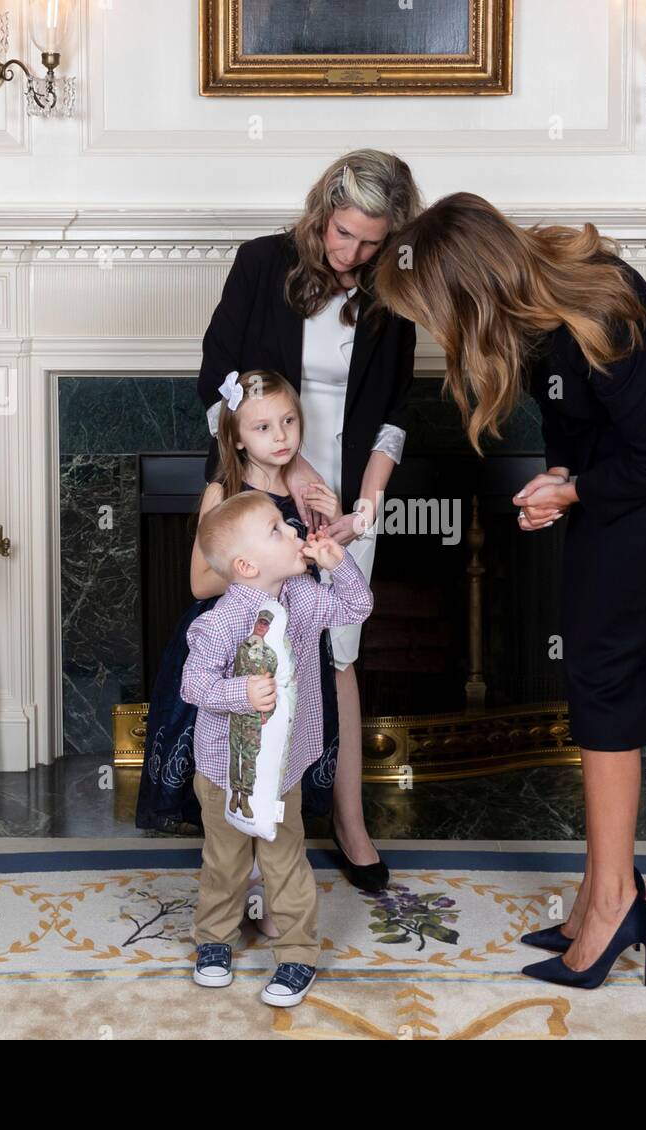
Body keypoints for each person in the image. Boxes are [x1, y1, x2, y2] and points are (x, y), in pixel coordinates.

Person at [374, 192, 646, 990]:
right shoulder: (536, 312)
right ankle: (602, 891)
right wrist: (561, 477)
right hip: (635, 478)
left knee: (603, 679)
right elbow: (580, 427)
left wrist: (576, 494)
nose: (436, 334)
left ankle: (614, 901)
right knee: (590, 667)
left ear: (466, 292)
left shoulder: (596, 314)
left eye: (432, 313)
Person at [196, 150, 423, 891]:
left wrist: (366, 507)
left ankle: (349, 820)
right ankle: (249, 821)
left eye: (368, 241)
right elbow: (214, 385)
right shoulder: (262, 264)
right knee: (255, 651)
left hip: (345, 505)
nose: (349, 252)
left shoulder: (394, 293)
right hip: (262, 488)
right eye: (341, 231)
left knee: (340, 653)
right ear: (322, 209)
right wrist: (287, 469)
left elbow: (393, 417)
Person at [135, 369, 340, 937]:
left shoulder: (304, 483)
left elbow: (319, 559)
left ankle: (277, 895)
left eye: (289, 421)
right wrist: (259, 575)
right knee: (236, 768)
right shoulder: (223, 491)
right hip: (235, 646)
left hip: (292, 648)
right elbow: (203, 582)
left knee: (281, 769)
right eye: (264, 426)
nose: (281, 436)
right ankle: (236, 890)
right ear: (237, 436)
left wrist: (335, 524)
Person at [182, 489, 373, 1007]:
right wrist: (238, 694)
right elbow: (193, 686)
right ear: (245, 565)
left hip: (281, 768)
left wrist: (340, 564)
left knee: (284, 860)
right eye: (277, 530)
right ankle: (214, 941)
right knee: (224, 860)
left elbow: (358, 605)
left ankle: (296, 953)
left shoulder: (305, 598)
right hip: (225, 769)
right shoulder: (220, 622)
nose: (293, 531)